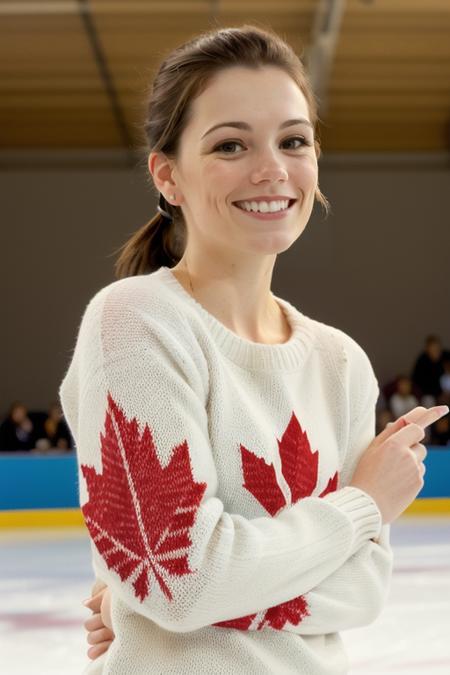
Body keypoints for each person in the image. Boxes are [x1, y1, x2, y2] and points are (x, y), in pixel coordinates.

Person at [59, 25, 448, 675]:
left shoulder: (341, 362)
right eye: (231, 144)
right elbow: (181, 580)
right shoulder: (134, 322)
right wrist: (363, 506)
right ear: (168, 174)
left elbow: (362, 590)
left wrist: (157, 600)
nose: (271, 169)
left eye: (293, 140)